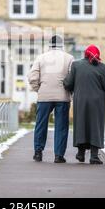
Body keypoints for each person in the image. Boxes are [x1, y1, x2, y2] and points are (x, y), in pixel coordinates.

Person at [63, 44, 105, 165]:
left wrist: (67, 84)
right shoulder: (103, 68)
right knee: (95, 126)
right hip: (96, 102)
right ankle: (94, 156)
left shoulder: (76, 65)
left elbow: (68, 83)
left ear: (85, 54)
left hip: (80, 100)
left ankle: (80, 154)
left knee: (81, 124)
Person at [28, 35, 74, 163]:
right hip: (63, 96)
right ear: (62, 45)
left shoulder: (41, 57)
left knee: (41, 124)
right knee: (61, 126)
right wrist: (69, 91)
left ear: (49, 45)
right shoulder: (69, 58)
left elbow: (32, 76)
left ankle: (38, 152)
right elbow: (72, 78)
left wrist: (39, 89)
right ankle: (59, 156)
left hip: (44, 96)